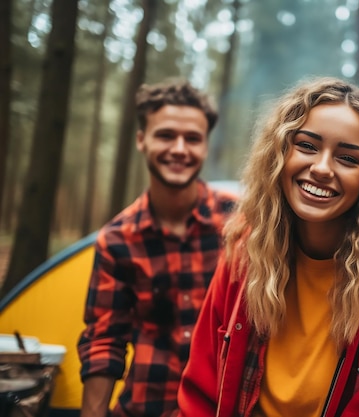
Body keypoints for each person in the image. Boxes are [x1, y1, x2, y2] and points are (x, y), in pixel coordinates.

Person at [177, 77, 359, 417]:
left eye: (348, 158)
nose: (321, 169)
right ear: (280, 152)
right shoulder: (248, 248)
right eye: (307, 146)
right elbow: (200, 394)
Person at [77, 79, 237, 417]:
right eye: (166, 135)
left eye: (192, 138)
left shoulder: (242, 224)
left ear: (205, 147)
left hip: (222, 408)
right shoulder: (117, 240)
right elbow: (104, 342)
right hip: (146, 408)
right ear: (141, 140)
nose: (179, 149)